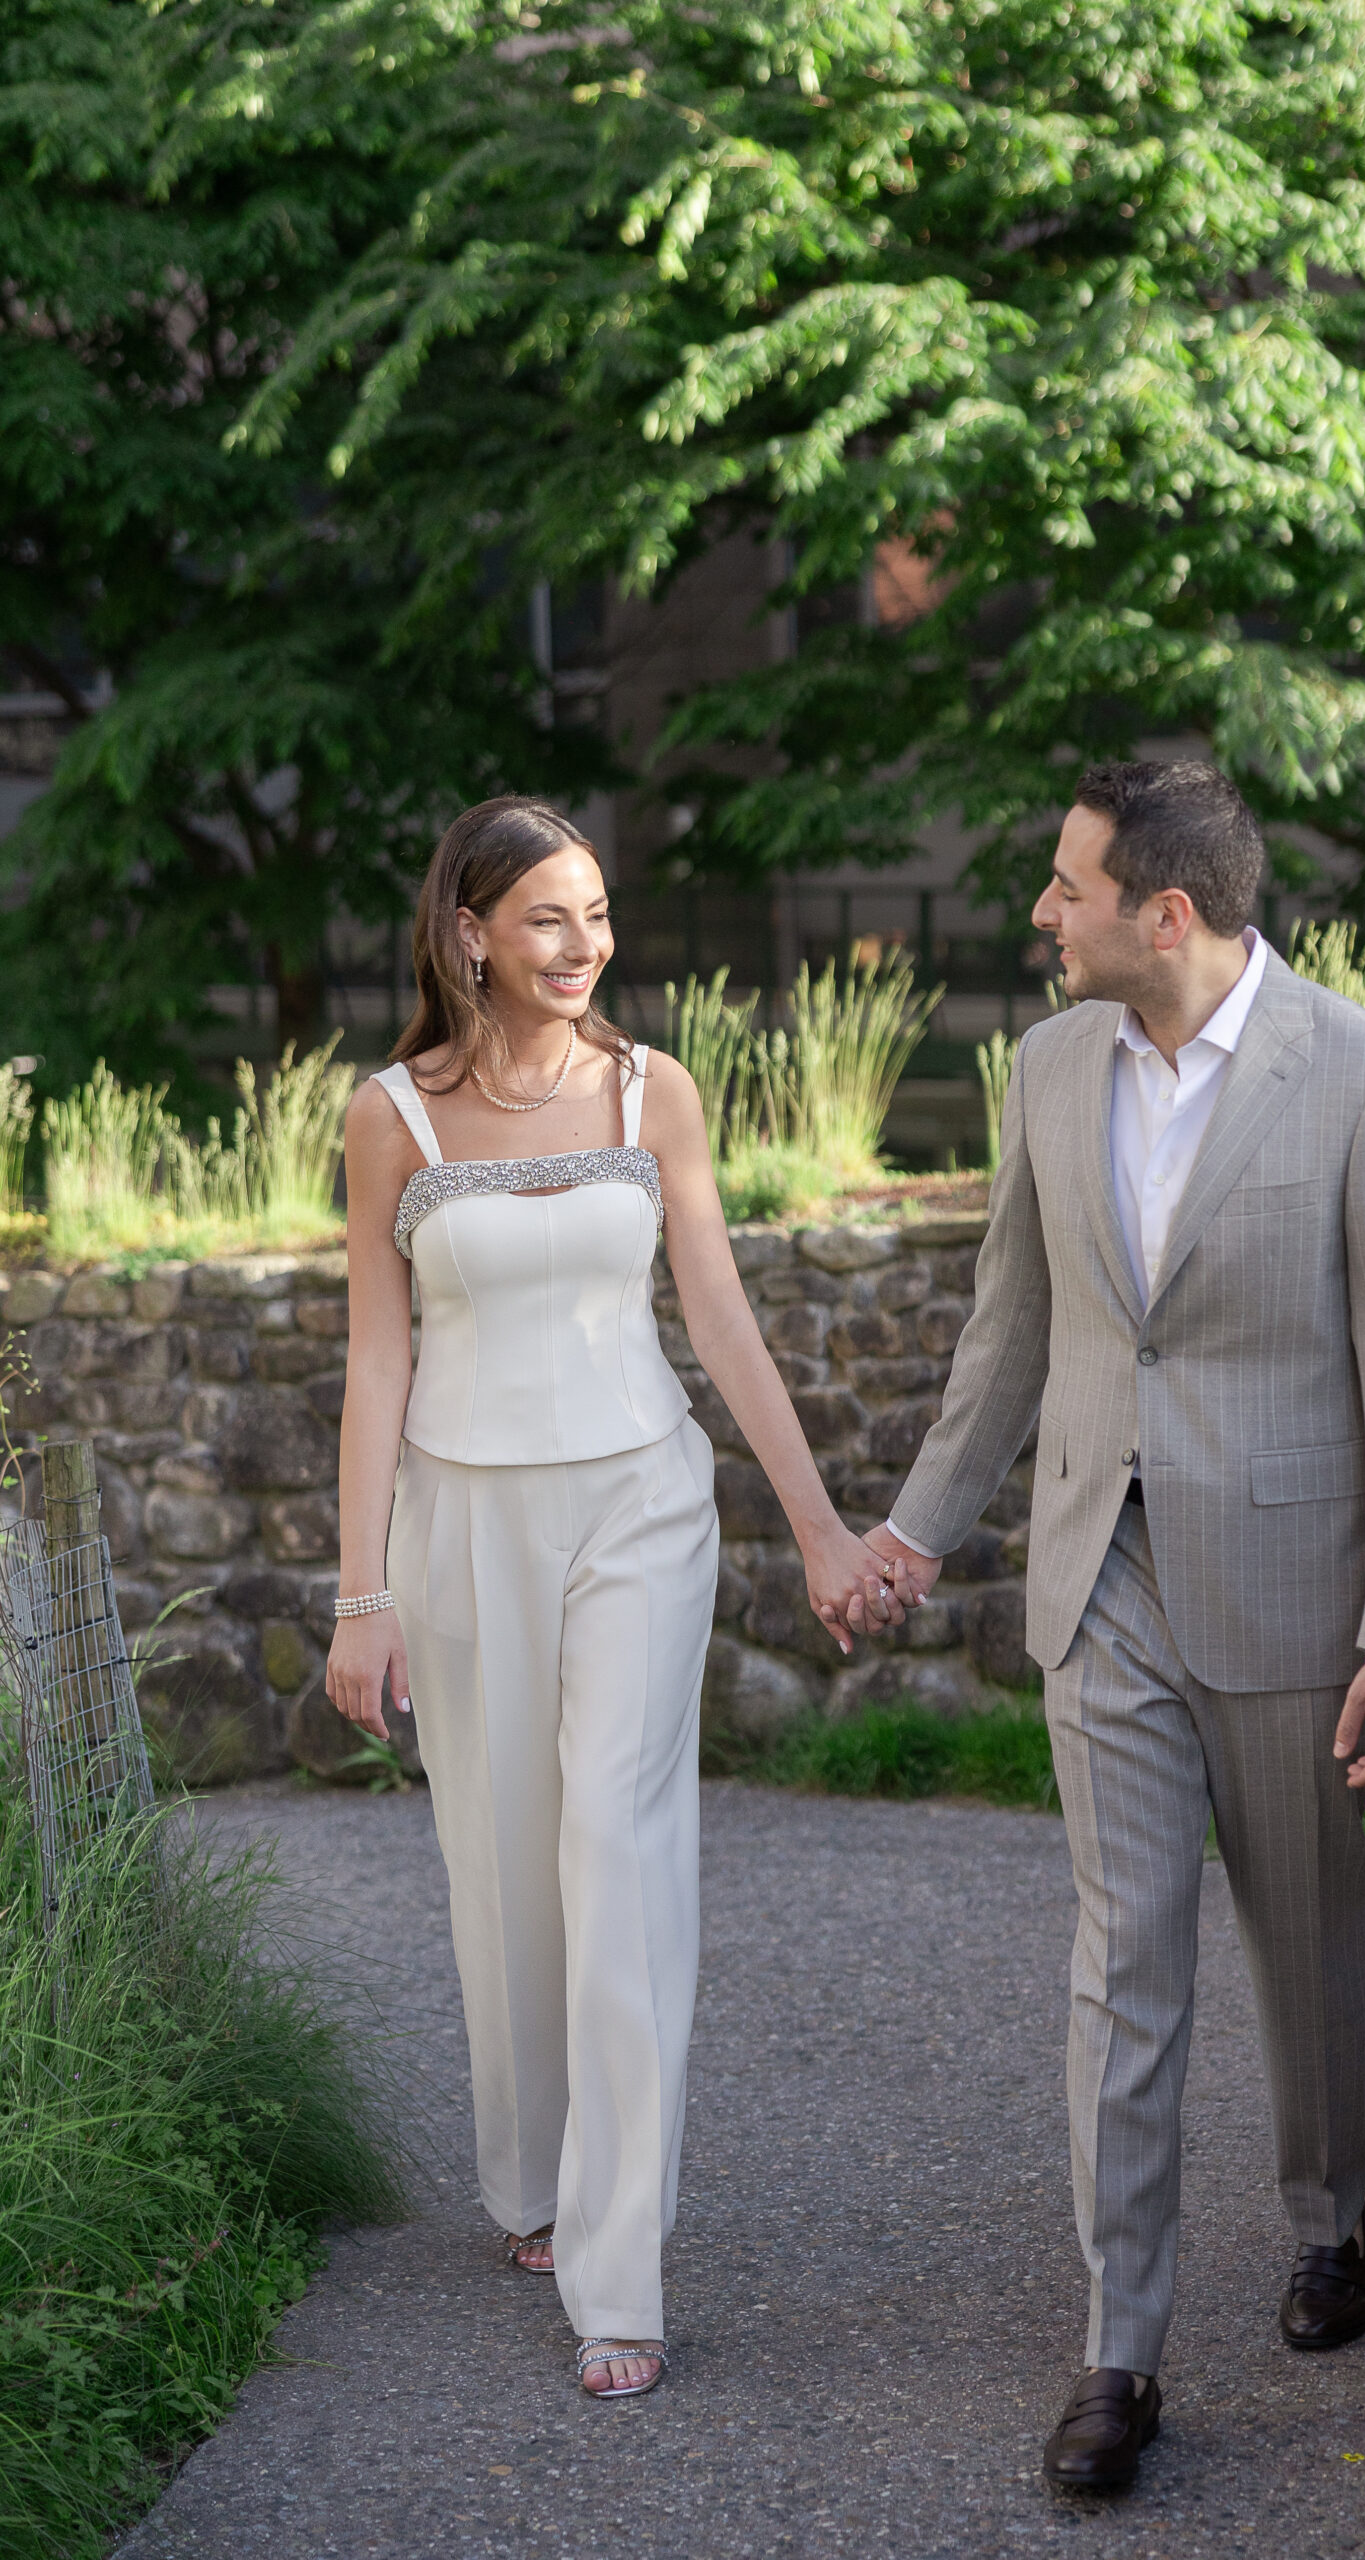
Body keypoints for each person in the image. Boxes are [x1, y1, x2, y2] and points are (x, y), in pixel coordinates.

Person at [865, 761, 1365, 2491]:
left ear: (1167, 915)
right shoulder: (1049, 1070)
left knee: (1309, 1951)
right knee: (1123, 1968)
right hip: (1099, 1579)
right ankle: (1119, 2355)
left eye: (1067, 889)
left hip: (1293, 1593)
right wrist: (913, 1534)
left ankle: (1331, 2219)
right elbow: (1010, 1340)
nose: (1041, 915)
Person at [326, 794, 904, 2401]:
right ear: (470, 935)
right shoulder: (393, 1116)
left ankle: (619, 2269)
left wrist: (819, 1526)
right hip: (458, 1518)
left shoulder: (654, 1089)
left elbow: (716, 1313)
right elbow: (378, 1355)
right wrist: (359, 1591)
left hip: (643, 1501)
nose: (585, 948)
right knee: (503, 1864)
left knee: (621, 1848)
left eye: (598, 917)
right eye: (548, 920)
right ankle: (531, 2177)